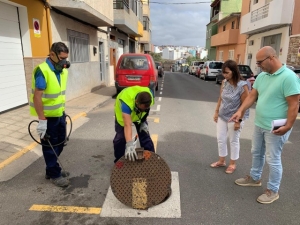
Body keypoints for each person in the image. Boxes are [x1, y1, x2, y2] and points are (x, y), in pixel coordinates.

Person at [230, 46, 300, 204]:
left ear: (271, 58)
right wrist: (240, 111)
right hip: (260, 123)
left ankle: (273, 190)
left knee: (272, 158)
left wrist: (288, 125)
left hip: (277, 125)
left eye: (260, 62)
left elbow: (294, 104)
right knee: (256, 151)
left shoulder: (289, 77)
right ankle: (255, 178)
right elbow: (252, 96)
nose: (258, 65)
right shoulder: (262, 76)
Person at [29, 42, 71, 187]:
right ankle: (54, 174)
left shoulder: (63, 70)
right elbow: (37, 97)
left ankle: (51, 168)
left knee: (61, 142)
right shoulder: (43, 70)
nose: (64, 61)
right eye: (61, 58)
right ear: (52, 54)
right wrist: (42, 120)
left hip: (60, 114)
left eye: (66, 58)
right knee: (49, 146)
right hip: (48, 118)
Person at [211, 60, 249, 174]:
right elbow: (220, 98)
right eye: (223, 73)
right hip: (222, 116)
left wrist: (239, 120)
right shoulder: (224, 82)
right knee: (220, 139)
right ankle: (221, 160)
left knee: (233, 140)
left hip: (235, 117)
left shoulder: (242, 86)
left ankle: (232, 163)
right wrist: (216, 112)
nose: (225, 75)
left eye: (227, 72)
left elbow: (245, 104)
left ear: (233, 71)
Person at [113, 86, 155, 163]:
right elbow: (127, 125)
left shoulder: (150, 96)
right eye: (140, 109)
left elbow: (146, 110)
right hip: (123, 117)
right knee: (120, 139)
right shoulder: (126, 102)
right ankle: (119, 162)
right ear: (136, 102)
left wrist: (143, 121)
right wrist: (129, 144)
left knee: (145, 134)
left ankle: (151, 159)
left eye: (144, 109)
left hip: (138, 118)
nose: (142, 111)